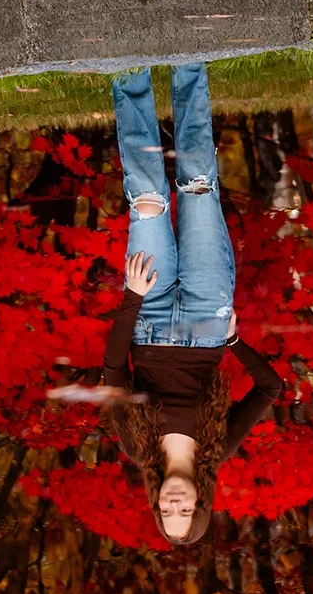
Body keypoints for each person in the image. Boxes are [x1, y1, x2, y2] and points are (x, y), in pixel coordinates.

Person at [101, 64, 284, 544]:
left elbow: (114, 372)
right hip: (208, 317)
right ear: (201, 501)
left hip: (149, 313)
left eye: (167, 509)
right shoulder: (217, 448)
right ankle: (188, 67)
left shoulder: (137, 447)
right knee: (198, 183)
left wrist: (132, 298)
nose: (175, 503)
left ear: (157, 499)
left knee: (147, 198)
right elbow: (270, 387)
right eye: (185, 510)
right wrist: (235, 342)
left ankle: (130, 72)